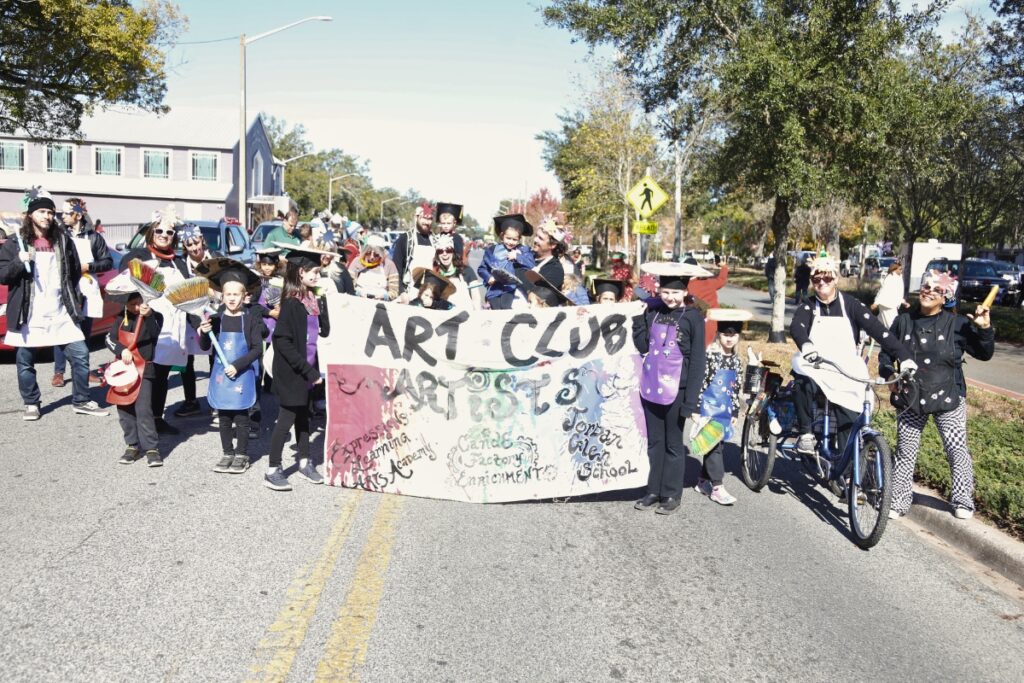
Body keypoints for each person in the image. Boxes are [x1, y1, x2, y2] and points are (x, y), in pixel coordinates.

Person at [880, 269, 994, 520]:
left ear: (946, 298)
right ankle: (898, 501)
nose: (928, 291)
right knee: (906, 450)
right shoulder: (903, 321)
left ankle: (963, 499)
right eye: (925, 286)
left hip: (949, 396)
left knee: (956, 447)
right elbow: (886, 353)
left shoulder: (959, 324)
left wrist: (984, 329)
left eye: (936, 289)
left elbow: (984, 353)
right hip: (911, 394)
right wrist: (889, 375)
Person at [789, 253, 915, 460]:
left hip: (845, 366)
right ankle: (805, 433)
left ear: (836, 279)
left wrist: (904, 356)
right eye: (817, 279)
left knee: (851, 410)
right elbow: (797, 327)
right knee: (804, 382)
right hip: (815, 363)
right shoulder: (808, 305)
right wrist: (807, 346)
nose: (822, 283)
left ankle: (847, 470)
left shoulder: (852, 305)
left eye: (827, 278)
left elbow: (880, 332)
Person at [0, 191, 108, 420]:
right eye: (42, 211)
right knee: (25, 361)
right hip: (28, 313)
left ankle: (81, 400)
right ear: (30, 215)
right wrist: (20, 261)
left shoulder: (62, 240)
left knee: (80, 355)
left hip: (61, 311)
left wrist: (73, 297)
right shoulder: (14, 242)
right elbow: (3, 276)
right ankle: (31, 403)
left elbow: (75, 270)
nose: (47, 216)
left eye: (50, 212)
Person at [631, 261, 709, 514]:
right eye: (666, 291)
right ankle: (653, 490)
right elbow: (643, 346)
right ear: (659, 290)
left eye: (675, 292)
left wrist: (692, 401)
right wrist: (638, 319)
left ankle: (671, 494)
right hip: (651, 386)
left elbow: (698, 360)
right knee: (655, 441)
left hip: (679, 390)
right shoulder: (652, 312)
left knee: (674, 443)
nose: (670, 297)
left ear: (685, 292)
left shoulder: (694, 318)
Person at [120, 207, 192, 434]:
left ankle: (157, 417)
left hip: (173, 326)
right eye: (159, 230)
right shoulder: (135, 257)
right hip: (146, 324)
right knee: (146, 375)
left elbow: (187, 292)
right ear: (151, 233)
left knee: (162, 374)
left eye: (169, 232)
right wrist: (134, 307)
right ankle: (141, 422)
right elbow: (122, 290)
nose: (164, 235)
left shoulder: (178, 262)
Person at [266, 246, 331, 491]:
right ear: (299, 273)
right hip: (292, 371)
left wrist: (323, 303)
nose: (316, 276)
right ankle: (272, 469)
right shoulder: (293, 303)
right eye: (311, 271)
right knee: (286, 419)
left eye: (318, 272)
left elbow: (325, 331)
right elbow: (281, 340)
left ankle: (304, 462)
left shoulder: (312, 300)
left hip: (307, 368)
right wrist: (308, 371)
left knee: (304, 417)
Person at [195, 260, 267, 475]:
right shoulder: (215, 320)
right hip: (221, 375)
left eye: (236, 294)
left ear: (244, 295)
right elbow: (207, 347)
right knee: (224, 416)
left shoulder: (251, 319)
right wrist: (202, 333)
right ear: (222, 297)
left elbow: (256, 349)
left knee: (242, 417)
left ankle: (242, 454)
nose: (232, 298)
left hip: (242, 373)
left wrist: (237, 366)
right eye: (228, 295)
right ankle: (227, 452)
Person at [693, 309, 753, 506]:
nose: (729, 338)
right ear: (719, 334)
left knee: (716, 444)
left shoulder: (736, 361)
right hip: (709, 407)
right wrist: (696, 407)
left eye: (733, 334)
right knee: (713, 445)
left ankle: (702, 481)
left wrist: (735, 411)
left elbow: (735, 388)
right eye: (725, 334)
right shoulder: (710, 356)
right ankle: (717, 487)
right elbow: (700, 382)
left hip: (725, 409)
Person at [53, 197, 112, 388]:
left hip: (87, 288)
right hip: (66, 288)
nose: (63, 217)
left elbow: (107, 261)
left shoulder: (94, 237)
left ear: (78, 214)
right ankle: (59, 371)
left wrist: (89, 266)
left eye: (67, 213)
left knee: (84, 332)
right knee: (62, 330)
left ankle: (83, 372)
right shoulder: (60, 234)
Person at [104, 286, 163, 466]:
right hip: (123, 369)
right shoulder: (121, 318)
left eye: (139, 303)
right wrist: (122, 350)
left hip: (144, 368)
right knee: (124, 408)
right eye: (132, 305)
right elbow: (109, 339)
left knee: (144, 409)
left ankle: (152, 448)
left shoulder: (155, 316)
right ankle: (132, 445)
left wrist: (149, 316)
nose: (136, 308)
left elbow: (155, 334)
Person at [174, 224, 213, 418]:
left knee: (216, 359)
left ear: (202, 240)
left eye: (196, 242)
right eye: (189, 245)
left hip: (214, 314)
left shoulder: (216, 258)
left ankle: (216, 400)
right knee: (186, 360)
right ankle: (191, 401)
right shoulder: (180, 264)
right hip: (188, 316)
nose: (194, 248)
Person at [478, 214, 536, 309]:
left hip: (513, 288)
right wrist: (488, 277)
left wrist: (518, 256)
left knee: (506, 308)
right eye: (508, 238)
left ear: (519, 239)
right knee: (495, 307)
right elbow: (482, 268)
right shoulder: (492, 250)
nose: (511, 242)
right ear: (502, 236)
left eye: (514, 239)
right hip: (495, 287)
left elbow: (531, 265)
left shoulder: (523, 250)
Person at [685, 255, 730, 346]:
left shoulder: (686, 287)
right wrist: (724, 267)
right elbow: (721, 280)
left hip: (699, 320)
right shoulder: (710, 282)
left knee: (699, 345)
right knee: (711, 344)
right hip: (714, 319)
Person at [392, 202, 436, 295]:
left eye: (430, 219)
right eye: (423, 218)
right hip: (409, 291)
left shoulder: (436, 241)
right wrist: (401, 292)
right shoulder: (405, 239)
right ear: (416, 218)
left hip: (430, 293)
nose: (427, 222)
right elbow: (396, 269)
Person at [431, 234, 480, 309]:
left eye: (448, 250)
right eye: (440, 251)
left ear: (453, 252)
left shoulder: (467, 271)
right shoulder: (435, 276)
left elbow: (476, 299)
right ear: (437, 255)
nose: (445, 254)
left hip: (467, 317)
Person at [349, 234, 399, 301]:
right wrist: (358, 293)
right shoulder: (357, 262)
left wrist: (384, 297)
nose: (372, 257)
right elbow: (349, 285)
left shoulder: (389, 265)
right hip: (359, 301)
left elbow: (394, 292)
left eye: (376, 254)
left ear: (382, 253)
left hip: (380, 304)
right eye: (368, 253)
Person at [532, 218, 566, 290]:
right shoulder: (526, 255)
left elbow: (540, 293)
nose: (535, 240)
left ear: (552, 245)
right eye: (536, 236)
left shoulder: (555, 270)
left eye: (540, 238)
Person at [871, 259, 906, 330]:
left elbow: (897, 293)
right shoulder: (890, 278)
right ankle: (894, 339)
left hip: (891, 304)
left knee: (879, 322)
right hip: (887, 305)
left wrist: (903, 302)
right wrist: (876, 303)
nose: (901, 271)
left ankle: (871, 334)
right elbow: (882, 291)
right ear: (894, 269)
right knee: (892, 325)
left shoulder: (898, 278)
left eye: (902, 269)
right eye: (900, 269)